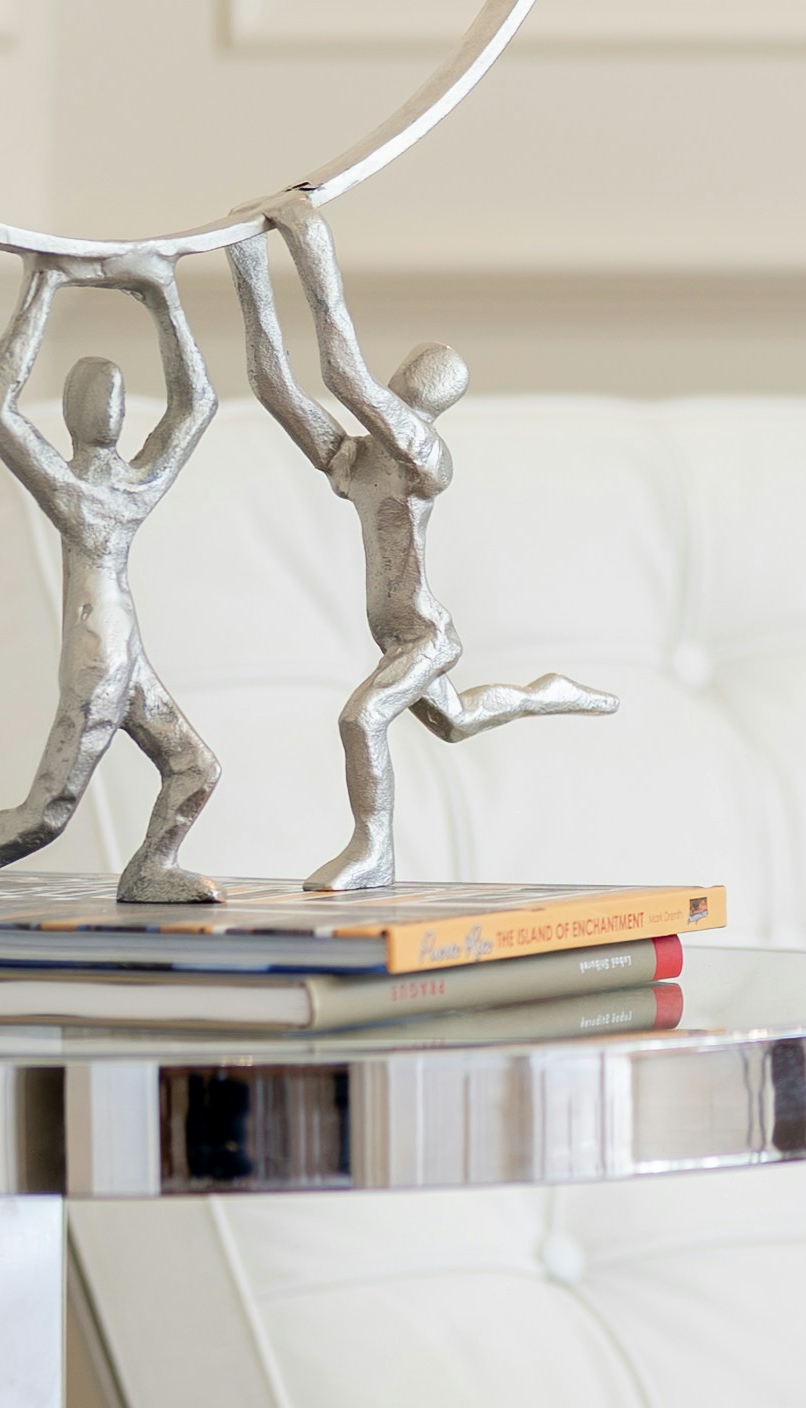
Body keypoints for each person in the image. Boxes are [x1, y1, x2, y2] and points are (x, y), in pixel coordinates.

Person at [227, 191, 608, 893]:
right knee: (455, 722)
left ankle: (372, 851)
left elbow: (343, 374)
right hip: (393, 634)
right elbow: (274, 386)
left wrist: (307, 238)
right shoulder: (355, 459)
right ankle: (545, 694)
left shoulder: (422, 459)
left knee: (360, 719)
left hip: (424, 634)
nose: (392, 380)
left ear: (421, 393)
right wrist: (247, 260)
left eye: (406, 375)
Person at [0, 248, 228, 902]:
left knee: (194, 768)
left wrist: (163, 296)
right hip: (95, 660)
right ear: (80, 415)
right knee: (49, 812)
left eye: (112, 394)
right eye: (98, 395)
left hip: (127, 657)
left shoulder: (135, 481)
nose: (110, 404)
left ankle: (149, 870)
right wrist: (41, 287)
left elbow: (196, 404)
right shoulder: (70, 488)